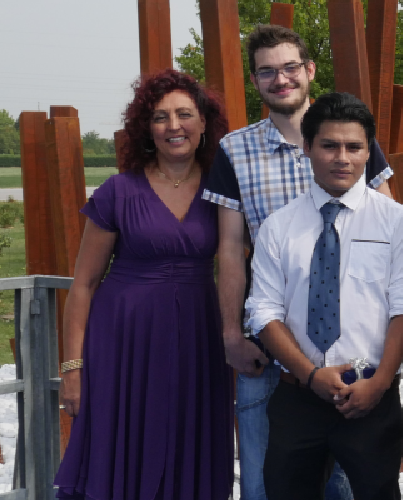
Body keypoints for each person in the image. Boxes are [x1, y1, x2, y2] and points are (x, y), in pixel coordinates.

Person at [201, 24, 393, 500]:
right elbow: (230, 249)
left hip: (349, 347)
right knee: (267, 485)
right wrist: (231, 334)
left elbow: (388, 233)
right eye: (267, 71)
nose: (281, 79)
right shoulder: (234, 150)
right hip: (270, 348)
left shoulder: (348, 134)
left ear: (309, 70)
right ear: (254, 81)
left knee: (347, 486)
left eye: (290, 67)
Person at [54, 69, 233, 499]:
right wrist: (72, 370)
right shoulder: (118, 191)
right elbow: (84, 284)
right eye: (160, 117)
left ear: (204, 122)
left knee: (190, 443)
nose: (174, 126)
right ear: (146, 129)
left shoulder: (223, 190)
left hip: (198, 339)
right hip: (123, 342)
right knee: (121, 445)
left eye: (184, 114)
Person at [245, 92, 403, 500]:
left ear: (368, 152)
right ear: (307, 147)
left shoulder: (398, 222)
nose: (342, 158)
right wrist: (311, 376)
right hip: (298, 395)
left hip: (371, 395)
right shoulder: (278, 226)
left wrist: (379, 384)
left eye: (354, 147)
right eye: (329, 145)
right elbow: (263, 311)